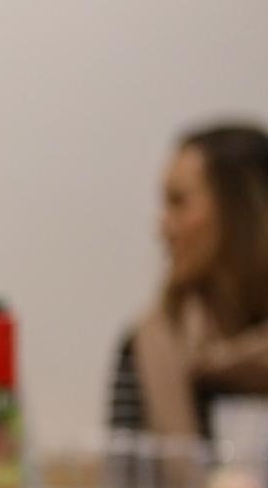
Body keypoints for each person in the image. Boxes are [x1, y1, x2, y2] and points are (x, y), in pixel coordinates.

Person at [106, 123, 268, 437]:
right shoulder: (144, 347)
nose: (163, 227)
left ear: (240, 212)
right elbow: (125, 480)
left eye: (178, 202)